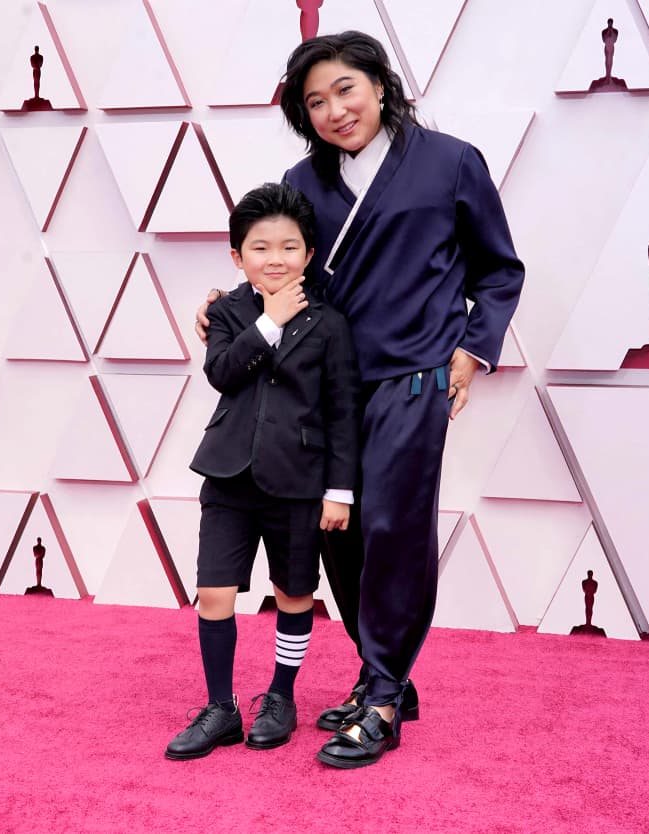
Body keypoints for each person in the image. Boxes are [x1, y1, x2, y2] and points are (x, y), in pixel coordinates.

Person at [196, 31, 524, 768]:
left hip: (412, 376)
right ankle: (389, 673)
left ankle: (379, 696)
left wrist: (470, 352)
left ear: (380, 83)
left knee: (392, 529)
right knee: (335, 533)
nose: (335, 110)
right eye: (315, 102)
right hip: (321, 386)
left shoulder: (452, 163)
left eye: (346, 88)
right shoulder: (302, 181)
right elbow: (280, 266)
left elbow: (499, 270)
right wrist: (229, 306)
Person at [166, 182, 359, 761]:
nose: (275, 259)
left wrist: (340, 491)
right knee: (212, 593)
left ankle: (280, 696)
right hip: (227, 478)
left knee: (294, 593)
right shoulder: (225, 312)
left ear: (308, 253)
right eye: (260, 247)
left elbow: (343, 411)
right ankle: (220, 707)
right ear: (237, 256)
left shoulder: (330, 324)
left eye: (289, 247)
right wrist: (268, 321)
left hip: (300, 484)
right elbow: (223, 372)